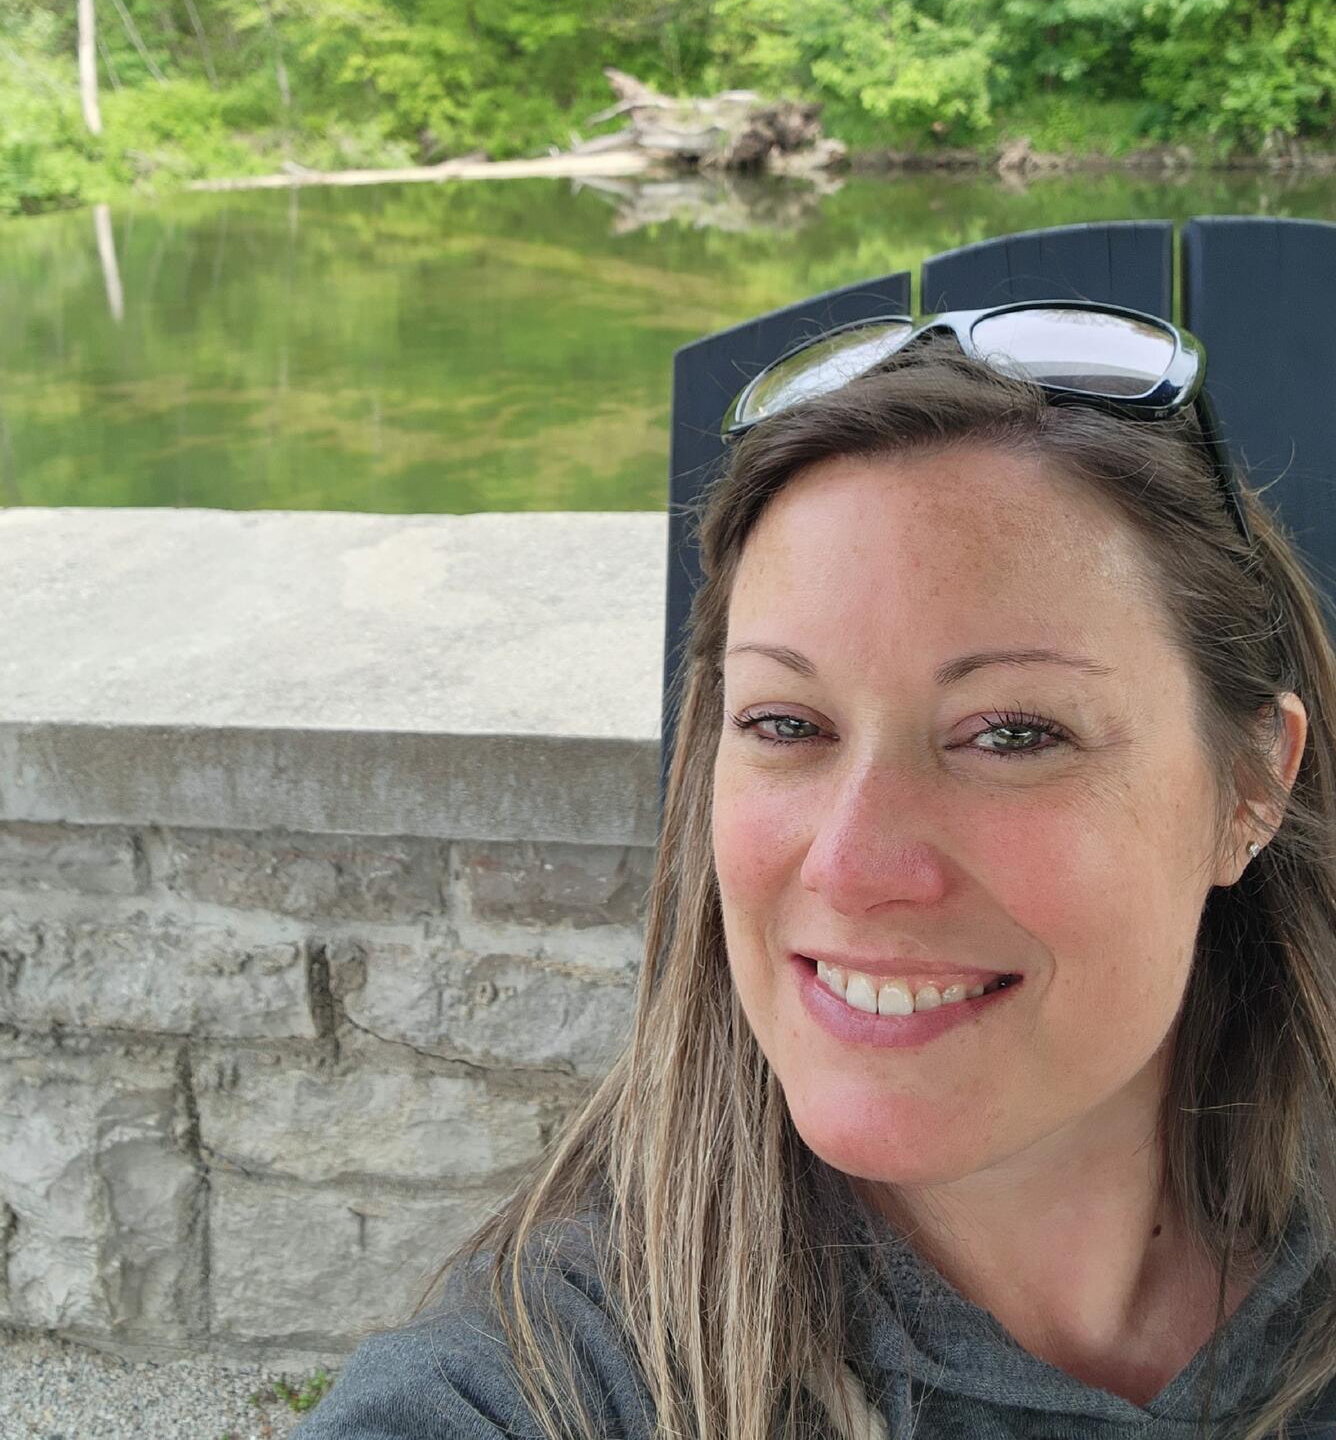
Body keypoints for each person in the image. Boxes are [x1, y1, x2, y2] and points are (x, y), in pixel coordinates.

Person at [293, 312, 1336, 1440]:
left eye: (1014, 734)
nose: (852, 864)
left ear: (1249, 789)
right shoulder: (540, 1388)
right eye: (788, 722)